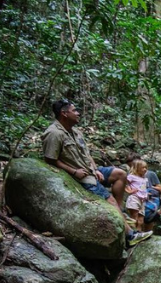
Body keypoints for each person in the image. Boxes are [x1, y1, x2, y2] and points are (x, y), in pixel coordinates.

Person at [42, 99, 152, 245]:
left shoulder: (76, 131)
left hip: (90, 170)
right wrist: (74, 172)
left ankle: (120, 210)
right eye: (74, 110)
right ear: (64, 113)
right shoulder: (54, 133)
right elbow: (50, 159)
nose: (78, 113)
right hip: (79, 176)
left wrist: (95, 169)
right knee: (109, 201)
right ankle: (130, 235)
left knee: (120, 174)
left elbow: (87, 154)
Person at [125, 159, 150, 232]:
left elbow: (143, 188)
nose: (145, 169)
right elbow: (125, 183)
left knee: (141, 220)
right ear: (136, 168)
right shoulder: (131, 176)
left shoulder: (144, 178)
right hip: (134, 198)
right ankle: (132, 232)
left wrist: (146, 194)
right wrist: (129, 191)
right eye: (143, 167)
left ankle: (139, 233)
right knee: (134, 217)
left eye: (146, 167)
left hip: (142, 200)